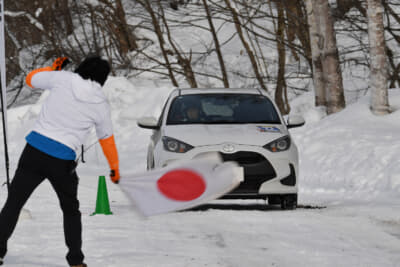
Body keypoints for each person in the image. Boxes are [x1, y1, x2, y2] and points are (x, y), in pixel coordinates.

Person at [0, 55, 120, 267]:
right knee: (70, 210)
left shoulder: (62, 79)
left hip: (34, 151)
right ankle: (76, 261)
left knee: (14, 203)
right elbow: (107, 140)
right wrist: (114, 168)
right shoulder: (100, 103)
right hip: (62, 161)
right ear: (103, 79)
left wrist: (52, 70)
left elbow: (30, 79)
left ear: (81, 67)